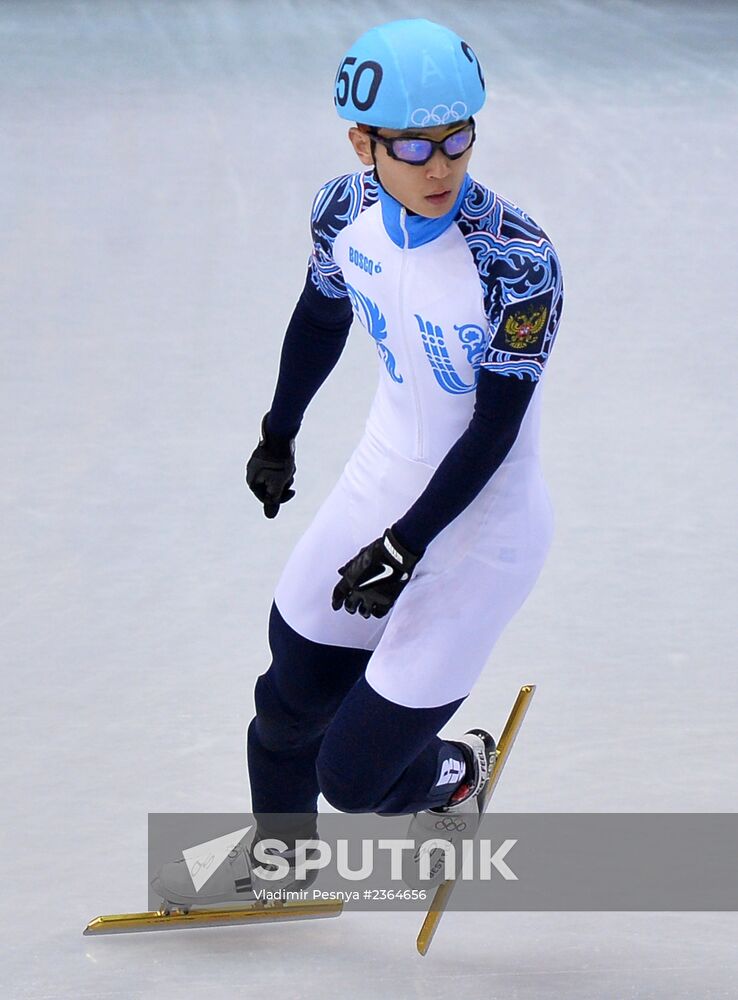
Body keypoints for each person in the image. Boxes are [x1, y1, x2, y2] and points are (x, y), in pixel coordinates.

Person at [153, 17, 563, 908]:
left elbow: (492, 433)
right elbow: (319, 318)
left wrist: (406, 547)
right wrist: (277, 432)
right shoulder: (342, 211)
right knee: (286, 702)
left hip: (480, 526)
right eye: (415, 145)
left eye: (459, 139)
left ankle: (456, 774)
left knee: (358, 778)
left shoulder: (518, 263)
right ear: (362, 143)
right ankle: (284, 869)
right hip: (382, 484)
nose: (442, 166)